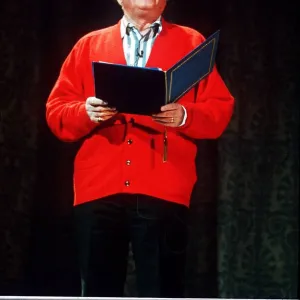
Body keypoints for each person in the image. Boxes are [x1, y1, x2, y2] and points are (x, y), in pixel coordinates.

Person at [46, 0, 234, 297]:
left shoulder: (191, 42)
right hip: (99, 187)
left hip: (164, 185)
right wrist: (86, 112)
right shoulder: (89, 45)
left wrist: (184, 116)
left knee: (161, 288)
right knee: (98, 288)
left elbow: (219, 109)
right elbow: (56, 111)